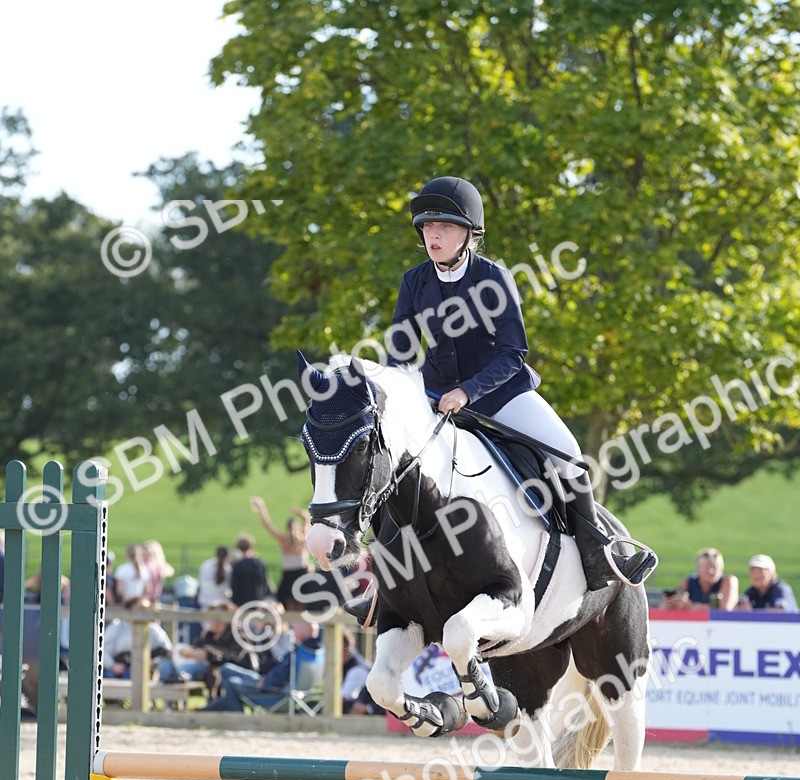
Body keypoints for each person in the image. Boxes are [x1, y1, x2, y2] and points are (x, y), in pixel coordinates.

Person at [382, 175, 657, 593]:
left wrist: (468, 391)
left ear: (469, 233)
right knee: (388, 459)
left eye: (445, 228)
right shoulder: (413, 281)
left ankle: (597, 553)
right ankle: (378, 578)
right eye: (427, 228)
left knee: (568, 454)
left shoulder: (494, 278)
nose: (433, 236)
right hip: (436, 398)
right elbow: (400, 353)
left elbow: (513, 354)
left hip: (499, 394)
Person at [202, 620, 323, 712]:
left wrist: (265, 684)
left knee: (232, 682)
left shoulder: (297, 653)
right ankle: (204, 711)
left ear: (302, 632)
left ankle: (233, 716)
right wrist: (266, 680)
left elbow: (281, 678)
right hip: (272, 684)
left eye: (295, 629)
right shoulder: (315, 654)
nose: (293, 631)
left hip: (273, 692)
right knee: (226, 669)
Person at [250, 497, 312, 610]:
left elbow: (268, 525)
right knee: (303, 603)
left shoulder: (284, 540)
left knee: (286, 603)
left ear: (287, 529)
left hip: (289, 575)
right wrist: (297, 511)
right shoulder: (302, 539)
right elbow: (306, 518)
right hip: (302, 573)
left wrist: (261, 508)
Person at [102, 600, 173, 678]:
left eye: (145, 610)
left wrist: (155, 662)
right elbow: (103, 651)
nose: (143, 612)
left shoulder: (154, 630)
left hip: (148, 669)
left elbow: (168, 651)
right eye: (139, 609)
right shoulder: (116, 626)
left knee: (167, 668)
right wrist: (112, 665)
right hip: (121, 668)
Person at [662, 548, 739, 611]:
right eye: (706, 567)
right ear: (698, 569)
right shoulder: (689, 581)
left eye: (714, 567)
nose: (711, 571)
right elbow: (663, 608)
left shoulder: (728, 581)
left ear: (721, 568)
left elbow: (724, 610)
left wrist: (691, 607)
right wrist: (673, 603)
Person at [229, 535, 272, 607]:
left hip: (241, 603)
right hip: (258, 601)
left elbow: (234, 585)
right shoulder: (260, 563)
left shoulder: (238, 565)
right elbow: (264, 582)